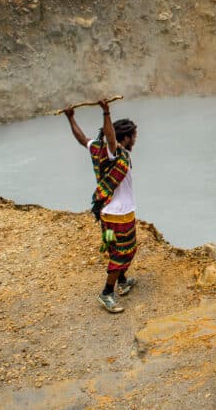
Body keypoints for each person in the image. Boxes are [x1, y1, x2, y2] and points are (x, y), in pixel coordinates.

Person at [64, 99, 139, 313]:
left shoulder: (97, 148)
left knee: (126, 249)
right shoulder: (112, 152)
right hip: (117, 214)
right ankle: (107, 292)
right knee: (120, 254)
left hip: (116, 213)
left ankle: (123, 280)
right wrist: (106, 112)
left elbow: (81, 139)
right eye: (133, 136)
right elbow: (111, 139)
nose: (134, 140)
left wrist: (71, 118)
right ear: (124, 137)